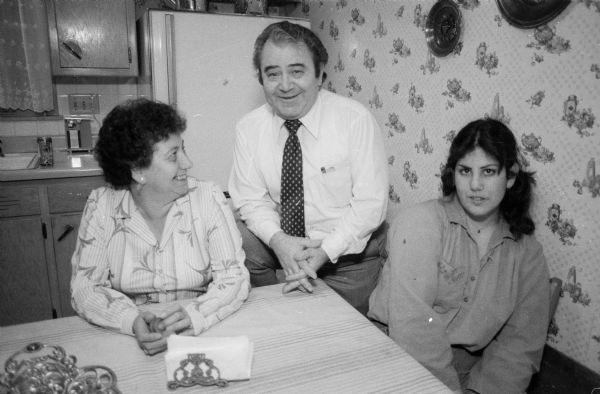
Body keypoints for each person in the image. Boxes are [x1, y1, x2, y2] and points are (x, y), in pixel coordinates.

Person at [368, 118, 550, 393]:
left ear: (510, 176)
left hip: (470, 372)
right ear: (453, 174)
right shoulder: (422, 222)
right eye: (465, 171)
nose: (475, 185)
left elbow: (519, 345)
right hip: (393, 352)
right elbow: (414, 325)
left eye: (488, 171)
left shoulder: (528, 252)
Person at [228, 21, 388, 315]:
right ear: (261, 79)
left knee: (339, 338)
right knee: (237, 233)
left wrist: (325, 251)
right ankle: (277, 304)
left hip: (346, 260)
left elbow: (370, 204)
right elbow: (250, 200)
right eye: (272, 74)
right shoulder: (248, 128)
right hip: (282, 251)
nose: (285, 85)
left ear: (320, 75)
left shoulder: (355, 120)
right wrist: (280, 242)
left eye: (297, 71)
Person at [71, 98, 250, 355]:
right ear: (137, 170)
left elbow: (234, 278)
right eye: (173, 155)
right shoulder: (102, 206)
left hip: (200, 334)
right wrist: (131, 320)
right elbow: (85, 288)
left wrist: (194, 316)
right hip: (127, 341)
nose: (188, 163)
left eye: (183, 150)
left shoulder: (207, 198)